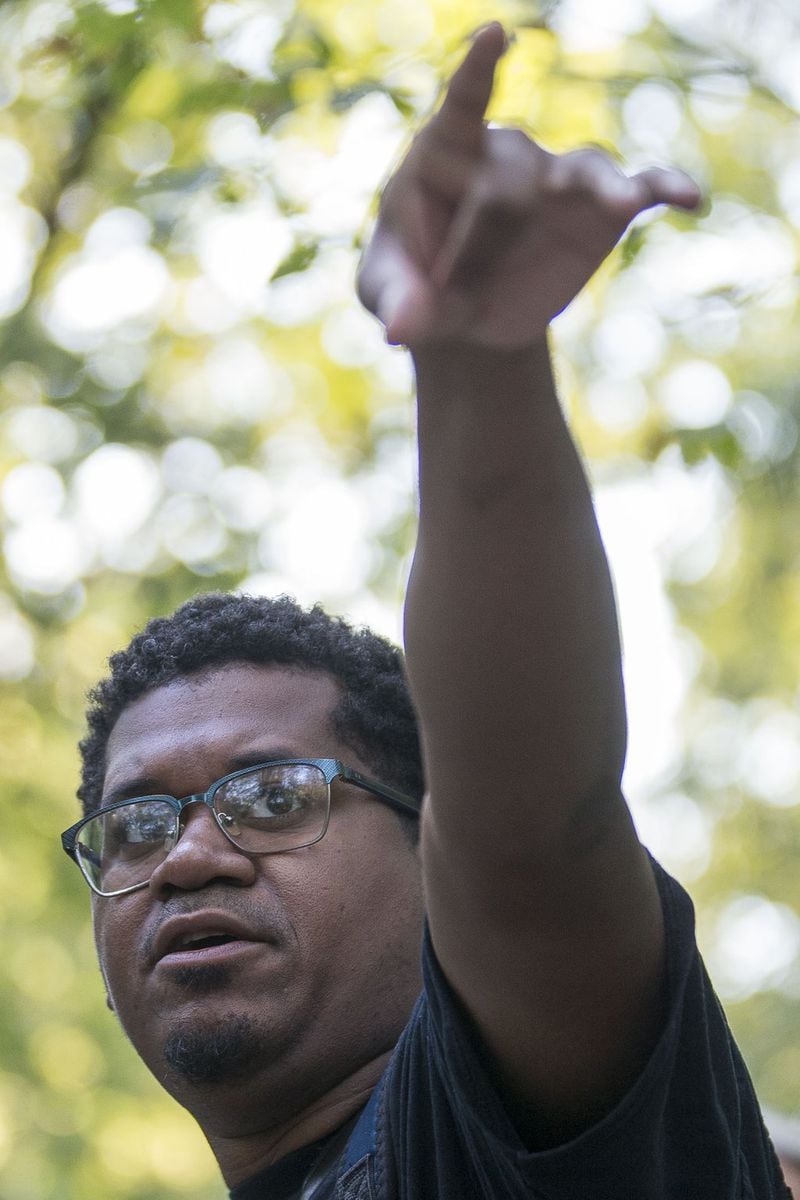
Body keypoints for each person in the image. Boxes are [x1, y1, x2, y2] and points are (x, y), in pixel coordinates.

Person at [61, 22, 791, 1200]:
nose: (190, 856)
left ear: (430, 860)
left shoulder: (493, 1130)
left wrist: (475, 358)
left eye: (270, 796)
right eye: (136, 828)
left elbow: (530, 828)